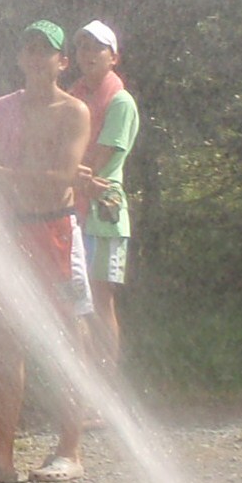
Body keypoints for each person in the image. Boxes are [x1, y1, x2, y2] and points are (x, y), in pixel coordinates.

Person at [0, 21, 93, 483]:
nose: (38, 58)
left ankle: (70, 449)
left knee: (70, 336)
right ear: (20, 58)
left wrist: (4, 175)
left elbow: (62, 176)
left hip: (58, 233)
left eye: (47, 51)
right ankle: (1, 458)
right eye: (30, 49)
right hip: (13, 232)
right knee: (8, 340)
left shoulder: (74, 111)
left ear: (62, 61)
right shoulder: (2, 109)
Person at [68, 21, 138, 379]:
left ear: (114, 57)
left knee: (100, 298)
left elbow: (103, 156)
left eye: (97, 47)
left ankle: (106, 383)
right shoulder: (74, 96)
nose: (89, 54)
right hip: (75, 206)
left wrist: (65, 175)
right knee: (79, 299)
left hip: (104, 212)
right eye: (83, 47)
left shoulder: (120, 101)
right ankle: (85, 383)